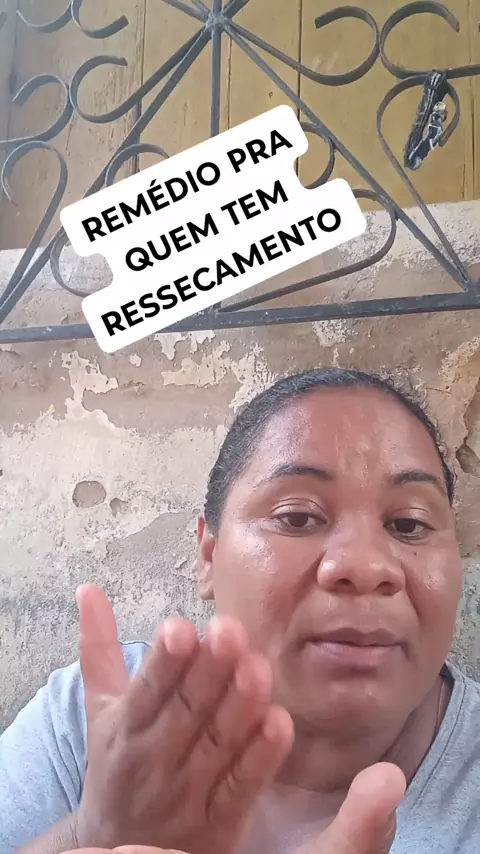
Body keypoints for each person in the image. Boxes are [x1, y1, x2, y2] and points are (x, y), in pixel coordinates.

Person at [1, 367, 479, 854]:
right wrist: (93, 829)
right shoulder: (87, 720)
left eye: (409, 524)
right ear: (209, 556)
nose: (365, 566)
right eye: (297, 517)